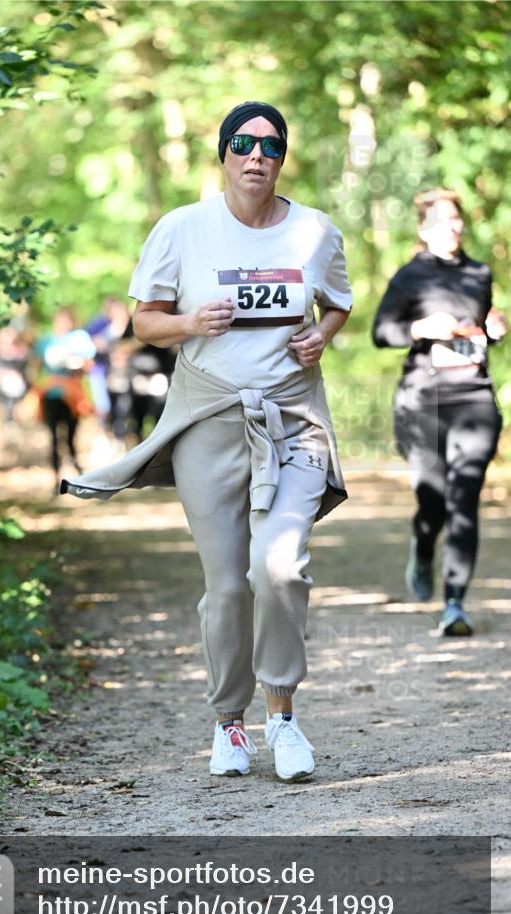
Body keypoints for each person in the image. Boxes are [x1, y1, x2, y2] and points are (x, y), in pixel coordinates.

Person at [61, 102, 353, 781]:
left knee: (278, 568)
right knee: (226, 586)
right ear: (222, 153)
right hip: (209, 423)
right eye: (243, 144)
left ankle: (282, 718)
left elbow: (338, 302)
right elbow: (144, 322)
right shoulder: (182, 228)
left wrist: (321, 335)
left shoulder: (315, 231)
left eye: (270, 147)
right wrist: (191, 322)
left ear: (282, 159)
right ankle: (229, 723)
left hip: (291, 421)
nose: (256, 156)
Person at [372, 188, 505, 636]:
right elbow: (382, 332)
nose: (452, 226)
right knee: (433, 501)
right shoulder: (410, 276)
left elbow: (481, 328)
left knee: (464, 499)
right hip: (422, 401)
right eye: (441, 219)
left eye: (456, 218)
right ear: (424, 229)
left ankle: (454, 605)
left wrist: (494, 328)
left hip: (474, 397)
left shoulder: (479, 272)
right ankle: (424, 545)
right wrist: (419, 328)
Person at [33, 306, 97, 490]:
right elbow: (36, 366)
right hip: (51, 394)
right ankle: (56, 478)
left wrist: (76, 364)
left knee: (71, 435)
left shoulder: (79, 339)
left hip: (72, 394)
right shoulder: (46, 341)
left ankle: (78, 472)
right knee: (53, 436)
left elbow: (89, 364)